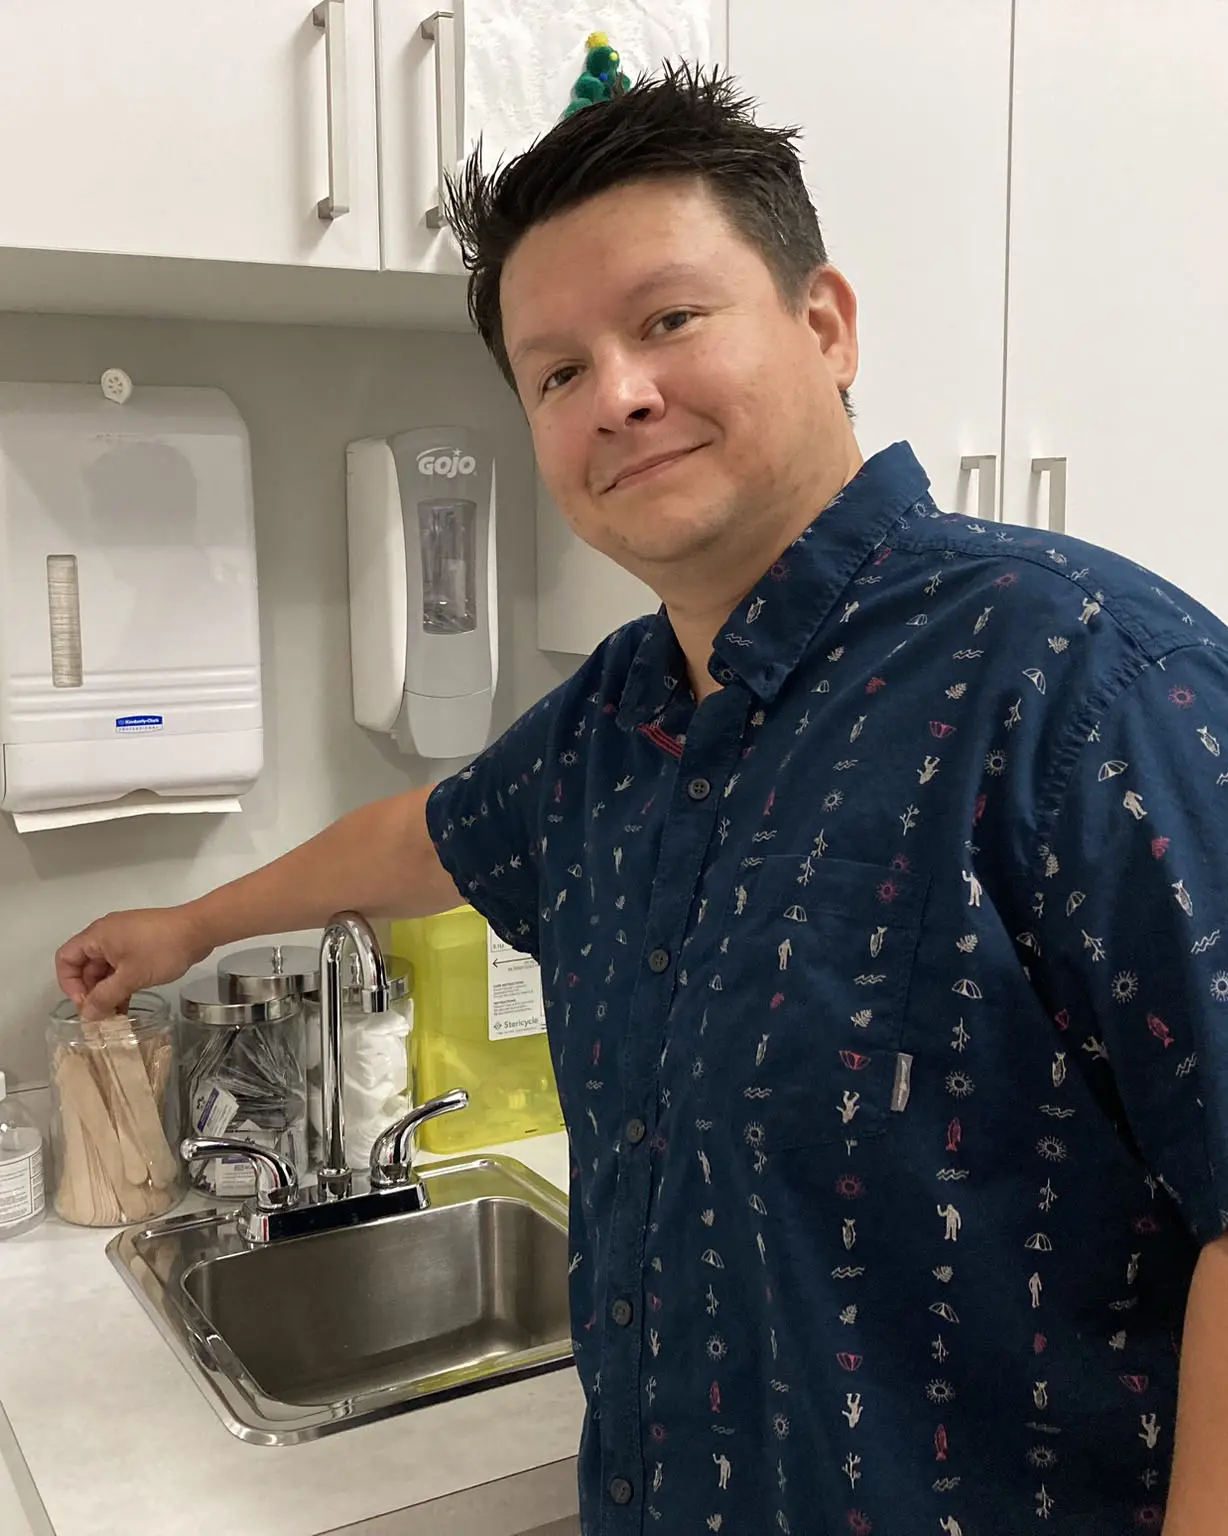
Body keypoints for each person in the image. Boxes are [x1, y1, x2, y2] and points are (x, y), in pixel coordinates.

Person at [56, 65, 1228, 1535]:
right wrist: (188, 923)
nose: (617, 392)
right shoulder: (618, 722)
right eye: (555, 372)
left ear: (825, 324)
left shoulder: (1088, 680)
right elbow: (423, 834)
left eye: (669, 319)